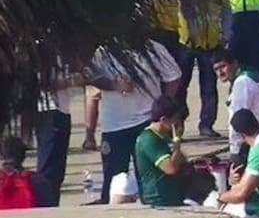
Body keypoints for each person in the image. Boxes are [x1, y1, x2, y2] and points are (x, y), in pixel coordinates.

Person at [85, 39, 182, 203]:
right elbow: (90, 77)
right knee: (113, 179)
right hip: (114, 125)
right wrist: (115, 85)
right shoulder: (103, 52)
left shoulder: (153, 48)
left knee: (149, 176)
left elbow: (174, 76)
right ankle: (111, 210)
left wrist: (161, 105)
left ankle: (151, 205)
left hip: (145, 121)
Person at [176, 0, 227, 138]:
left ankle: (206, 125)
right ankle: (178, 123)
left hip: (210, 43)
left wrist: (225, 34)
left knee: (209, 87)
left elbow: (226, 11)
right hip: (186, 43)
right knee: (180, 86)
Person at [35, 60, 83, 206]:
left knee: (58, 168)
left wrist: (73, 79)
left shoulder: (62, 55)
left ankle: (52, 202)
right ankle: (45, 204)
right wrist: (68, 81)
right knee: (48, 167)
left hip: (63, 110)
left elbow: (82, 77)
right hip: (49, 110)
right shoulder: (41, 54)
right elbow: (42, 82)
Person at [134, 96, 188, 206]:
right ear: (163, 120)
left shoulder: (163, 136)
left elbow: (182, 160)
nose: (178, 124)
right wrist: (177, 142)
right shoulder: (150, 140)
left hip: (172, 195)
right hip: (159, 199)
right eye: (176, 120)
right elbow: (171, 168)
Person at [0, 136, 55, 209]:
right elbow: (50, 208)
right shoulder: (38, 181)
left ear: (2, 155)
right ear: (24, 156)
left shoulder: (2, 180)